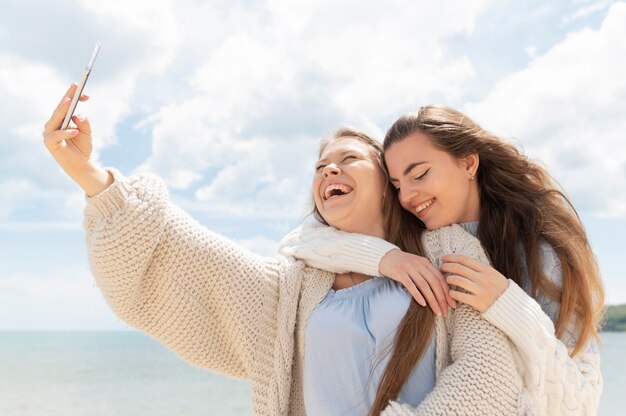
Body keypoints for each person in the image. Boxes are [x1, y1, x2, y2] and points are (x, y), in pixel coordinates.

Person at [42, 84, 532, 415]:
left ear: (387, 184)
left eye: (348, 159)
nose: (329, 172)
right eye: (320, 166)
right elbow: (185, 251)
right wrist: (88, 173)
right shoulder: (293, 286)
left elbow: (489, 373)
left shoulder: (446, 253)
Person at [280, 105, 605, 415]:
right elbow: (302, 241)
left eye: (419, 174)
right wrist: (385, 258)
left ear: (468, 164)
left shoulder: (537, 253)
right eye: (396, 186)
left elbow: (582, 403)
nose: (407, 197)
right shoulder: (414, 240)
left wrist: (508, 304)